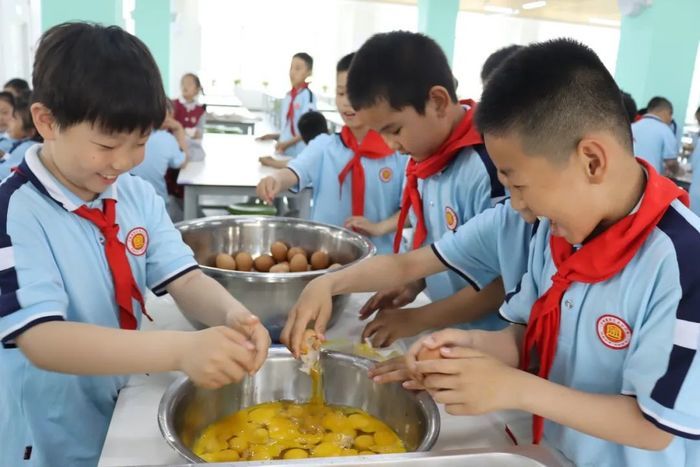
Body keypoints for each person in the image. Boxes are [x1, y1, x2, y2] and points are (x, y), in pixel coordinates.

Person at [0, 22, 270, 467]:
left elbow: (183, 277)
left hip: (118, 403)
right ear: (47, 121)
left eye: (141, 142)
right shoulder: (15, 211)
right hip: (50, 435)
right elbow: (41, 339)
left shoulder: (133, 194)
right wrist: (181, 350)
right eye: (107, 145)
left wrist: (233, 314)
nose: (124, 162)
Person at [256, 53, 405, 254]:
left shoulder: (399, 153)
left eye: (356, 93)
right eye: (341, 93)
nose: (346, 102)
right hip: (326, 258)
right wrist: (275, 179)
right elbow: (295, 170)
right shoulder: (325, 146)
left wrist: (379, 227)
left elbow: (412, 209)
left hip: (381, 262)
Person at [257, 52, 316, 157]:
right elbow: (288, 129)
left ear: (309, 72)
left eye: (297, 68)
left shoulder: (308, 97)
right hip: (283, 152)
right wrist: (274, 136)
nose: (292, 72)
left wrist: (286, 144)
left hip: (298, 154)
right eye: (291, 68)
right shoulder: (288, 96)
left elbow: (308, 130)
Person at [632, 96, 679, 175]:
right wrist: (678, 172)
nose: (671, 119)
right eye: (670, 114)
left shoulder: (631, 127)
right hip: (649, 180)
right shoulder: (666, 131)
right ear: (665, 112)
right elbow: (671, 163)